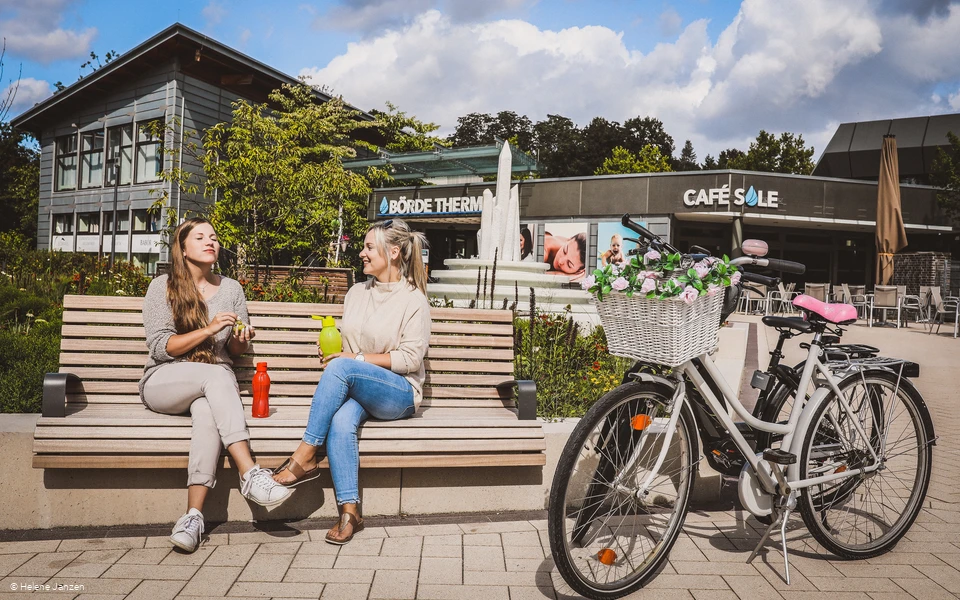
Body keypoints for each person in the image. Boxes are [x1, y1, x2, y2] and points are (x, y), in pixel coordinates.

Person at [273, 218, 431, 545]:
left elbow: (410, 360)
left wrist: (351, 361)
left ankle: (304, 456)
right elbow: (352, 349)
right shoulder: (357, 292)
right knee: (342, 420)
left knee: (343, 369)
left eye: (369, 247)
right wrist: (337, 352)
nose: (361, 253)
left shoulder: (413, 299)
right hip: (360, 388)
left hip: (398, 393)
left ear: (394, 252)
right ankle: (350, 512)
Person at [141, 217, 291, 553]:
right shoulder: (162, 287)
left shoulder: (232, 289)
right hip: (166, 380)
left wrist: (241, 339)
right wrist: (208, 330)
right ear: (182, 248)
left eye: (214, 237)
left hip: (212, 386)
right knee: (217, 375)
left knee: (209, 411)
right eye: (200, 237)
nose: (211, 241)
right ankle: (250, 473)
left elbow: (233, 353)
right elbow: (161, 347)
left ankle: (193, 517)